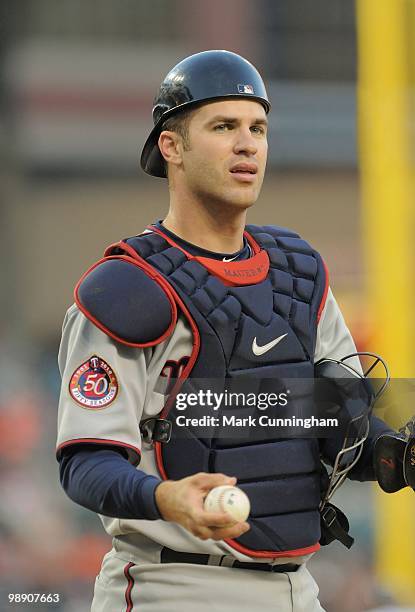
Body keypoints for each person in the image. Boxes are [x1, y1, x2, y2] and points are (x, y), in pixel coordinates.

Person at [56, 50, 411, 612]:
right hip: (172, 587)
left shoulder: (297, 274)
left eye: (258, 128)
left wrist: (397, 451)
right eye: (223, 127)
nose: (247, 144)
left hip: (298, 588)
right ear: (171, 146)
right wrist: (165, 496)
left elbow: (340, 427)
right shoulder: (127, 289)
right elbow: (86, 463)